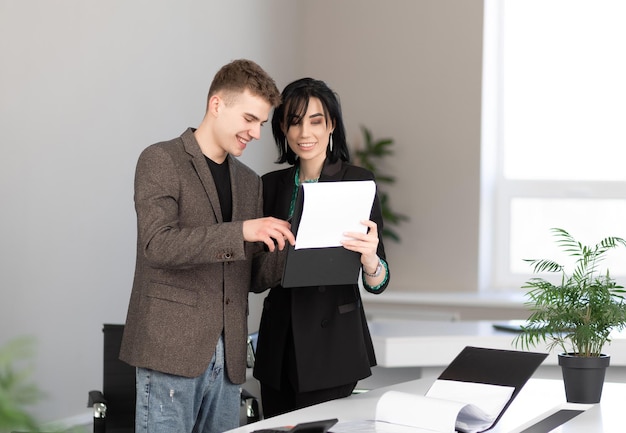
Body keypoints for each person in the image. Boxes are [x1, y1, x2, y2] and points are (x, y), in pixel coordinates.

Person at [119, 59, 295, 433]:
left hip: (229, 361)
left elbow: (252, 276)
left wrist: (298, 245)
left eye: (261, 124)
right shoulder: (160, 159)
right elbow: (157, 245)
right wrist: (242, 231)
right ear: (217, 105)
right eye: (249, 119)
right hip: (170, 352)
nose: (257, 133)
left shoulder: (250, 183)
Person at [251, 77, 390, 417]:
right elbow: (253, 276)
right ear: (283, 127)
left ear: (331, 125)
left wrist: (370, 259)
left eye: (316, 121)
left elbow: (380, 280)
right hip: (279, 345)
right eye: (294, 122)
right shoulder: (269, 186)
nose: (304, 133)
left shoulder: (357, 180)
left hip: (334, 346)